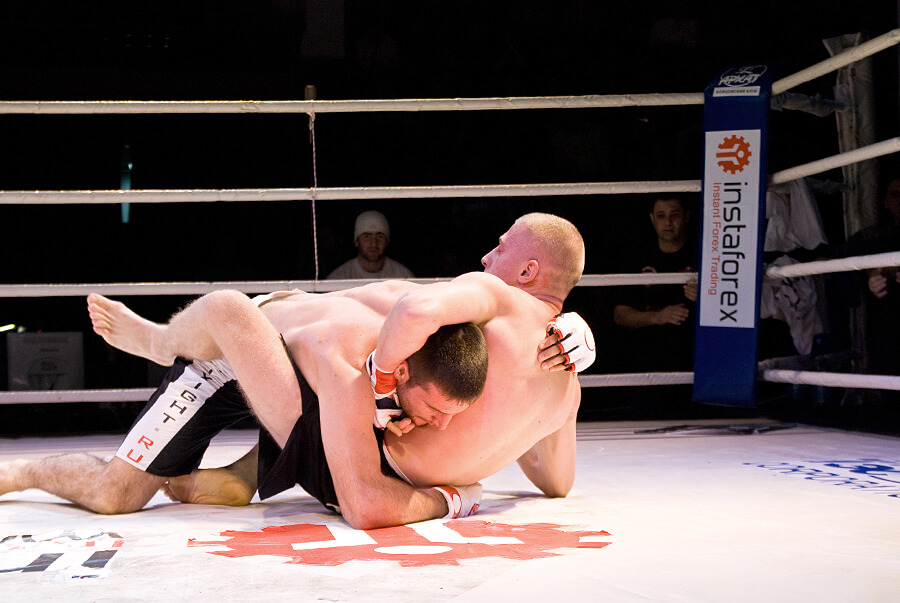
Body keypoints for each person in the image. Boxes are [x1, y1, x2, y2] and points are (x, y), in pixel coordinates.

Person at [0, 213, 592, 530]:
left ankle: (233, 468)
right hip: (260, 354)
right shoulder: (562, 384)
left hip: (333, 408)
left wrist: (386, 377)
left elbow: (416, 310)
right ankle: (161, 343)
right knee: (116, 493)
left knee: (247, 466)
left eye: (500, 248)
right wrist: (451, 495)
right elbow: (556, 480)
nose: (485, 258)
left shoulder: (515, 319)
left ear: (528, 271)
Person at [613, 194, 697, 371]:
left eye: (675, 215)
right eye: (661, 215)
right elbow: (620, 315)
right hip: (648, 360)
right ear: (652, 219)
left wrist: (707, 296)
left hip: (694, 356)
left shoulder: (704, 256)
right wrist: (658, 317)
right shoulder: (638, 258)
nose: (668, 222)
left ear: (687, 217)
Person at [326, 210, 415, 279]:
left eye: (380, 236)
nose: (374, 243)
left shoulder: (403, 276)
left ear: (387, 241)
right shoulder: (339, 277)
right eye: (366, 236)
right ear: (356, 242)